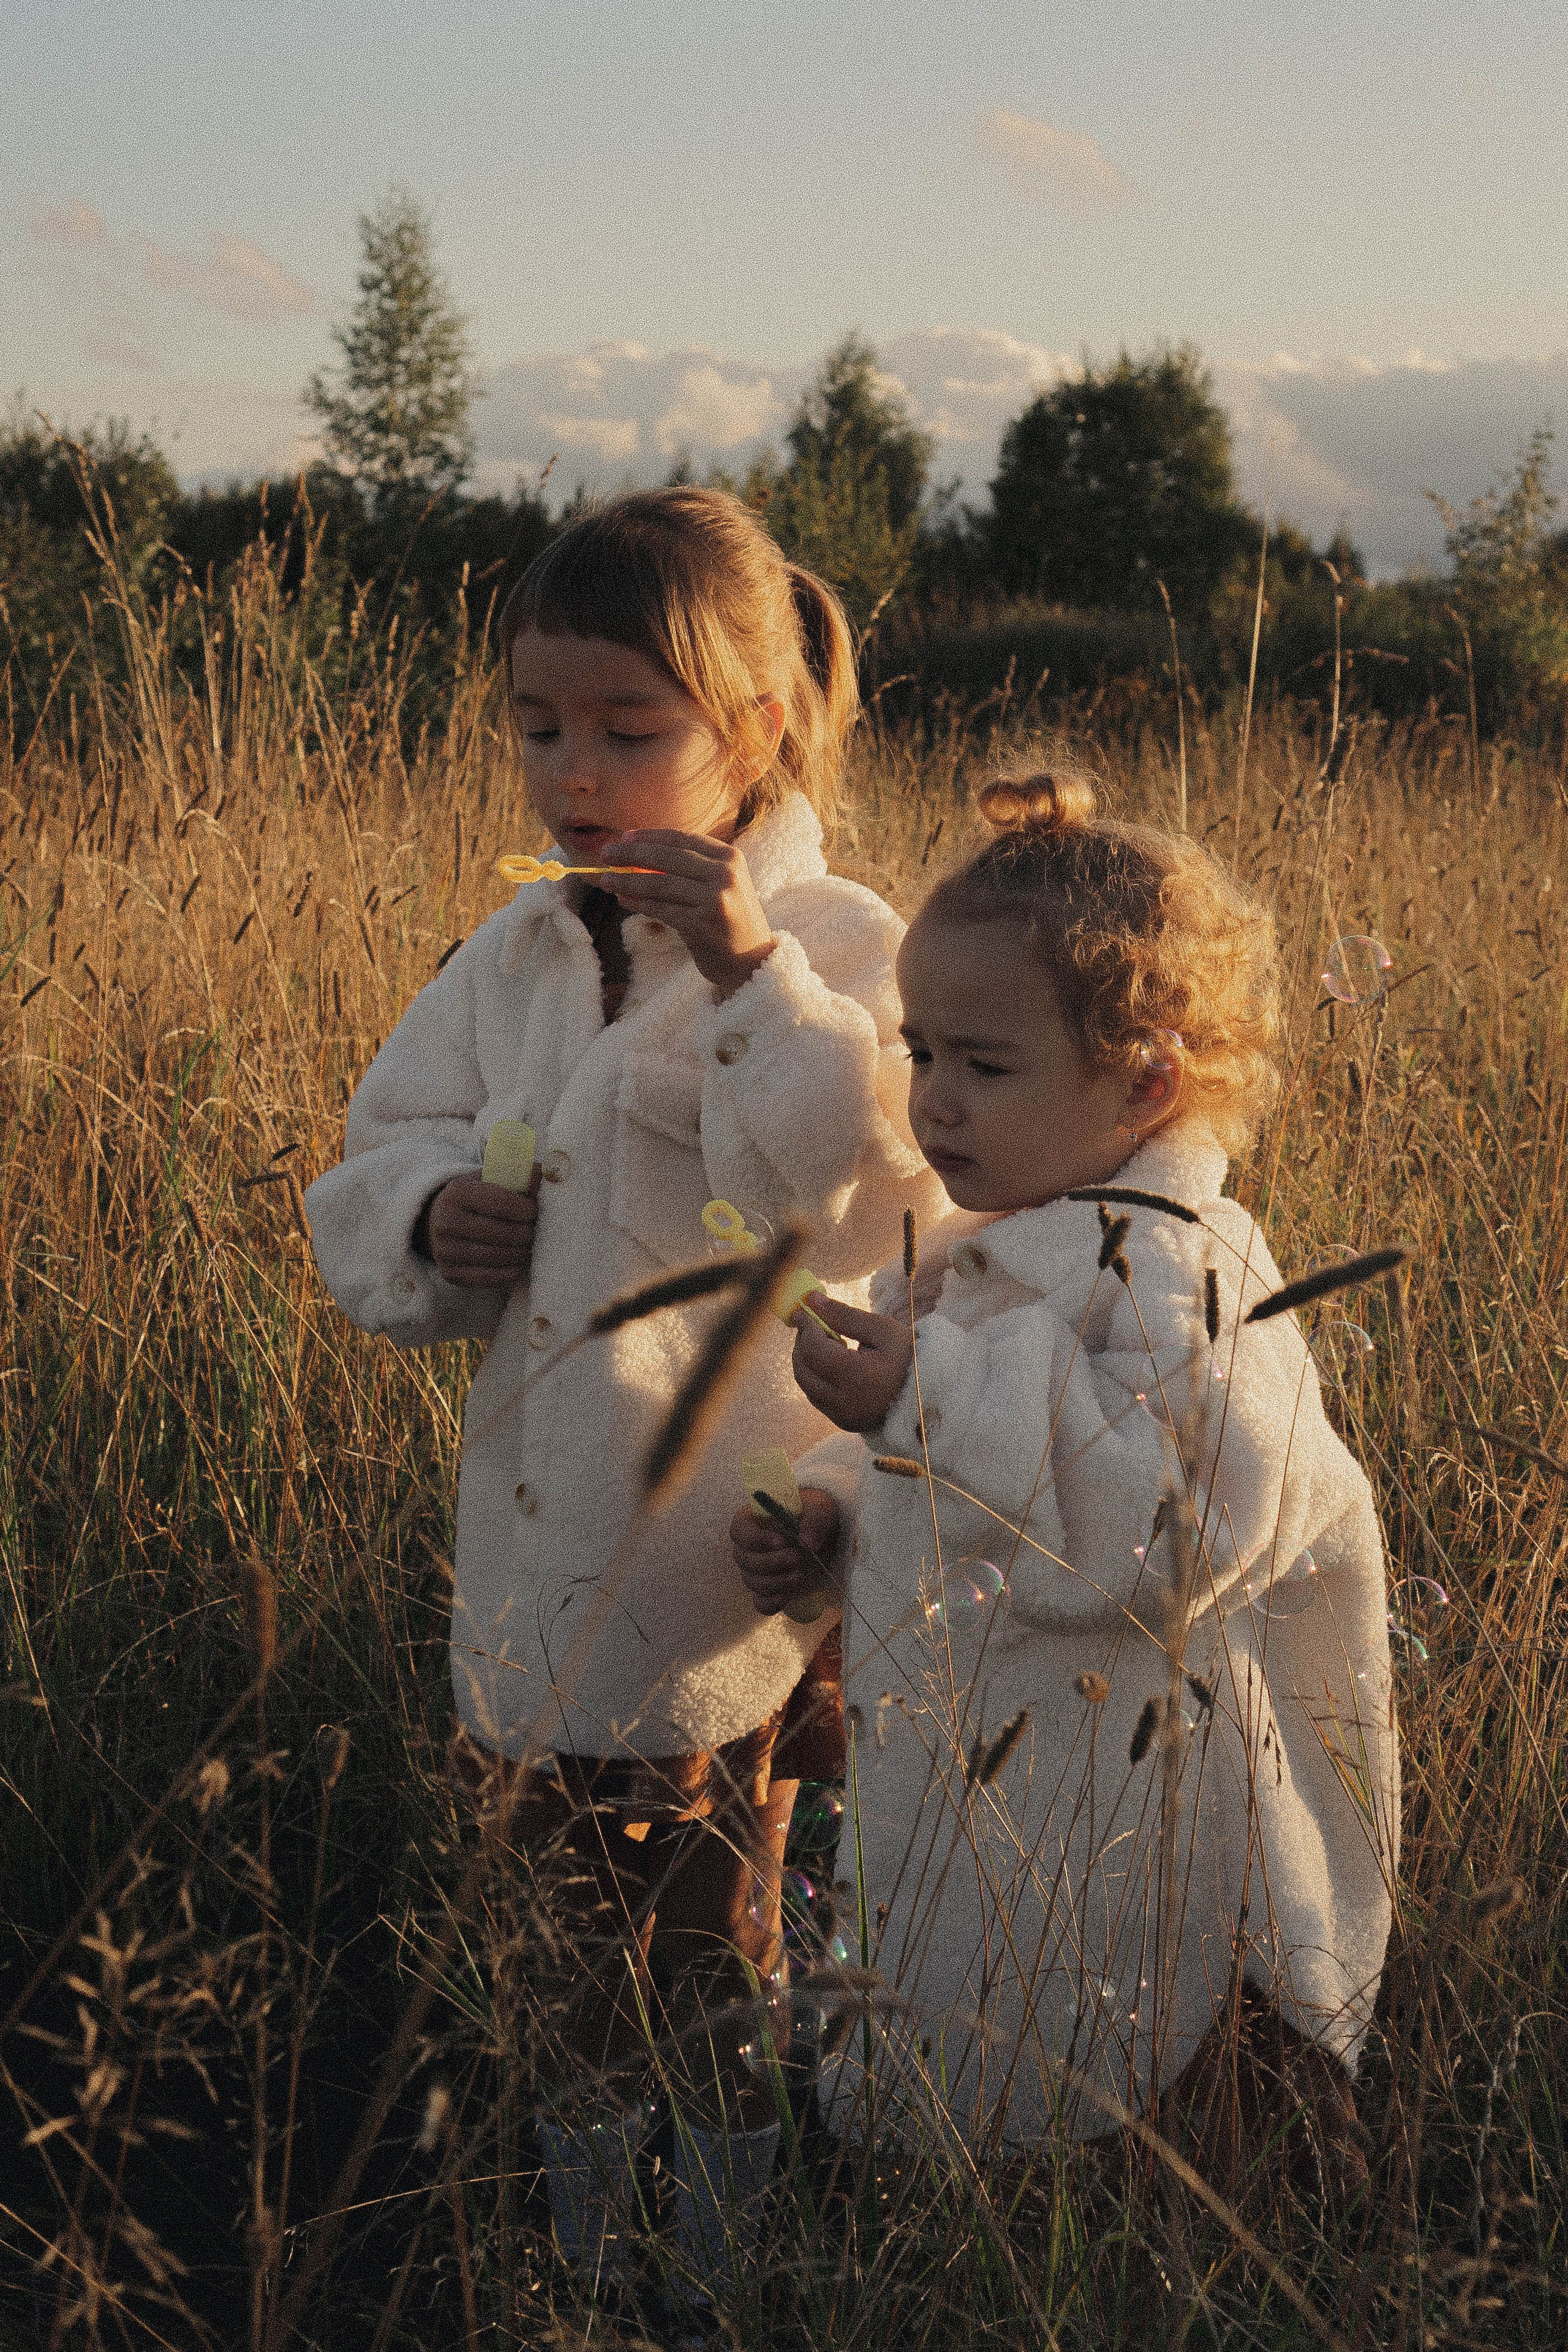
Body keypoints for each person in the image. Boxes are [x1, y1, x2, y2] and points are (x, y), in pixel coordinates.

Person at [304, 488, 944, 2293]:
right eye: (537, 725)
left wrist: (752, 975)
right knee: (561, 1936)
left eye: (625, 729)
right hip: (534, 1545)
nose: (570, 769)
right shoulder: (520, 952)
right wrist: (436, 1215)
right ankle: (596, 2256)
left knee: (718, 1925)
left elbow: (879, 1190)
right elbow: (378, 1149)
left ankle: (723, 2257)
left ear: (752, 730)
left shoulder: (843, 943)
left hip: (719, 1562)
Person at [731, 772, 1397, 2198]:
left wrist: (923, 1391)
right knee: (977, 2045)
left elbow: (1182, 1519)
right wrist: (837, 1519)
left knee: (1164, 2140)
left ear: (1144, 1080)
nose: (932, 1098)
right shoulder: (996, 1242)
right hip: (994, 1798)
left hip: (1149, 1832)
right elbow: (957, 1497)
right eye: (920, 1051)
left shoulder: (1182, 1264)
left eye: (982, 1061)